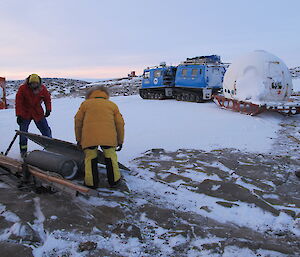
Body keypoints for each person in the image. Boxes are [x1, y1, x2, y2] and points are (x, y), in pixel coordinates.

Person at [74, 86, 125, 189]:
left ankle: (91, 183)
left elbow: (78, 122)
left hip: (89, 137)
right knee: (111, 158)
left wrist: (79, 139)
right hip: (109, 137)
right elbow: (120, 124)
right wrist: (120, 140)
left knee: (90, 159)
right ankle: (114, 181)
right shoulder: (112, 105)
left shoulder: (85, 105)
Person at [15, 74, 52, 156]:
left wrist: (48, 109)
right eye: (32, 83)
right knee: (23, 133)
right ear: (29, 83)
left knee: (46, 130)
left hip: (37, 112)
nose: (34, 85)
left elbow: (47, 99)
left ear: (39, 83)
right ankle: (23, 151)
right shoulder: (22, 89)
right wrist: (19, 115)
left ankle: (50, 147)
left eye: (36, 83)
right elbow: (18, 102)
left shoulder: (42, 89)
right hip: (25, 113)